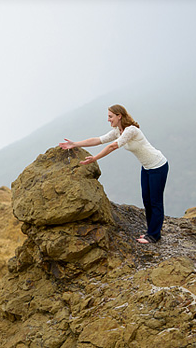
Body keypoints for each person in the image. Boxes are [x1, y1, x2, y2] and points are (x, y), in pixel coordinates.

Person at [59, 104, 169, 244]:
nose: (108, 120)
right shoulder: (118, 131)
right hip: (147, 167)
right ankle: (150, 232)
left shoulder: (131, 131)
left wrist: (94, 158)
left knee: (155, 201)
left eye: (110, 116)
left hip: (158, 166)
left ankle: (154, 236)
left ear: (119, 116)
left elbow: (112, 146)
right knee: (147, 200)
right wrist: (75, 144)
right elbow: (98, 140)